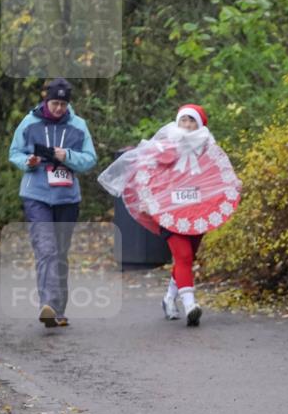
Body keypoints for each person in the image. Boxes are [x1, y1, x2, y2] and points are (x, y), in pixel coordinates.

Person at [98, 105, 242, 326]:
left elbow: (218, 177)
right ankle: (190, 304)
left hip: (197, 212)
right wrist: (146, 200)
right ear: (177, 122)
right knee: (183, 256)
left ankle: (168, 299)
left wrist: (231, 188)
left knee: (187, 257)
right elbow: (145, 175)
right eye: (183, 120)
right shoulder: (163, 148)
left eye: (192, 121)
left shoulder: (209, 152)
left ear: (200, 125)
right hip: (167, 214)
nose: (187, 125)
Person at [8, 78, 97, 327]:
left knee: (60, 252)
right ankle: (47, 305)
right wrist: (29, 161)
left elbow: (90, 159)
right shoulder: (29, 122)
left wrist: (65, 155)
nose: (58, 109)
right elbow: (14, 152)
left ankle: (58, 309)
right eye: (54, 103)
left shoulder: (79, 126)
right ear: (46, 100)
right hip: (36, 194)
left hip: (67, 196)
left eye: (63, 104)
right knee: (45, 249)